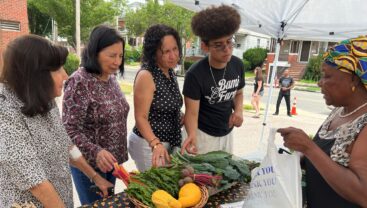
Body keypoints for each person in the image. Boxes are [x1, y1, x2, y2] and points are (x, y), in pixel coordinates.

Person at [0, 35, 112, 208]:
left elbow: (66, 145)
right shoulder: (4, 110)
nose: (66, 75)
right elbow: (35, 182)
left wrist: (95, 177)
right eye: (58, 69)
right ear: (36, 75)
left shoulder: (44, 97)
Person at [278, 36, 367, 207]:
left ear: (354, 79)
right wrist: (300, 157)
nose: (320, 83)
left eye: (327, 76)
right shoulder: (339, 111)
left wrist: (309, 148)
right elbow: (328, 161)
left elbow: (365, 194)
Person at [62, 25, 129, 205]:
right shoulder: (79, 81)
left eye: (120, 56)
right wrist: (96, 151)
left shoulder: (111, 79)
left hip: (110, 164)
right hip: (89, 165)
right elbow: (68, 129)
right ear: (95, 52)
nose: (117, 62)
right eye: (112, 55)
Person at [181, 5, 245, 155]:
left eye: (229, 42)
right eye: (219, 45)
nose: (227, 49)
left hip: (227, 133)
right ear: (205, 46)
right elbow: (191, 113)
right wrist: (191, 136)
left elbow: (239, 93)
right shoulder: (195, 74)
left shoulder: (237, 65)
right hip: (203, 135)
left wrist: (239, 111)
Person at [128, 24, 183, 172]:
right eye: (166, 51)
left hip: (166, 143)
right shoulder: (146, 75)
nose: (173, 56)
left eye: (175, 49)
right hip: (148, 144)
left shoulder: (169, 71)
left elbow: (169, 108)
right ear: (154, 53)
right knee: (156, 193)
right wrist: (155, 144)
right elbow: (140, 117)